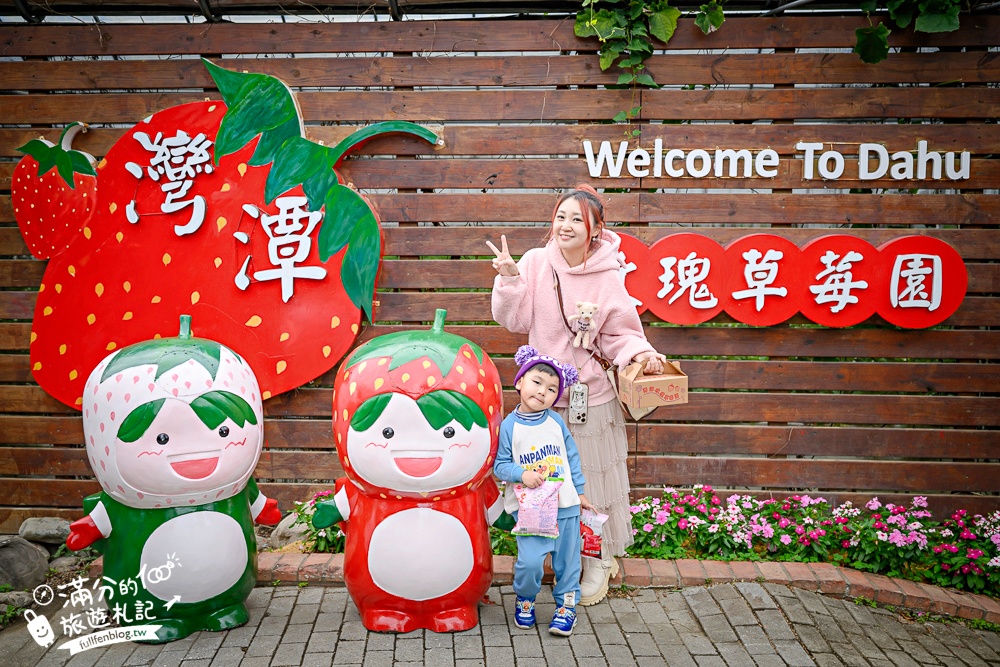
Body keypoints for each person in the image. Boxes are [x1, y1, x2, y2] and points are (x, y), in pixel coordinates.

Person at [488, 184, 667, 606]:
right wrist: (510, 279)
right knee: (548, 479)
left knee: (591, 481)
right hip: (544, 400)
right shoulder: (536, 262)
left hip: (592, 399)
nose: (565, 226)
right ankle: (562, 556)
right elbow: (514, 320)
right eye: (560, 217)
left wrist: (644, 355)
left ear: (596, 230)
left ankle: (598, 561)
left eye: (576, 219)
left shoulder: (607, 275)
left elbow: (622, 333)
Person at [493, 345, 593, 636]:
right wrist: (522, 474)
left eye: (551, 389)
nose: (542, 392)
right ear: (520, 382)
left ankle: (566, 607)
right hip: (531, 510)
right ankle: (525, 599)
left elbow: (570, 456)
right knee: (529, 563)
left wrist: (580, 492)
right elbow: (500, 465)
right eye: (537, 382)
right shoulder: (509, 426)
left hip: (565, 504)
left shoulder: (556, 421)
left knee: (568, 562)